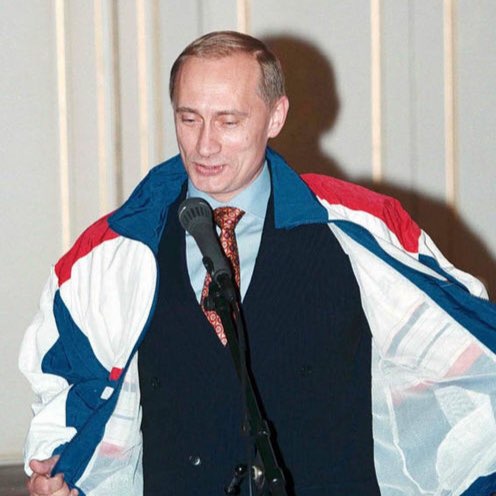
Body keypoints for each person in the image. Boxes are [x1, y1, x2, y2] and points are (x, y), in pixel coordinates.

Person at [20, 31, 496, 496]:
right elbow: (68, 386)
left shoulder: (357, 231)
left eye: (228, 121)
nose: (204, 145)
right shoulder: (114, 255)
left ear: (275, 116)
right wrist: (62, 471)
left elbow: (468, 349)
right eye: (189, 119)